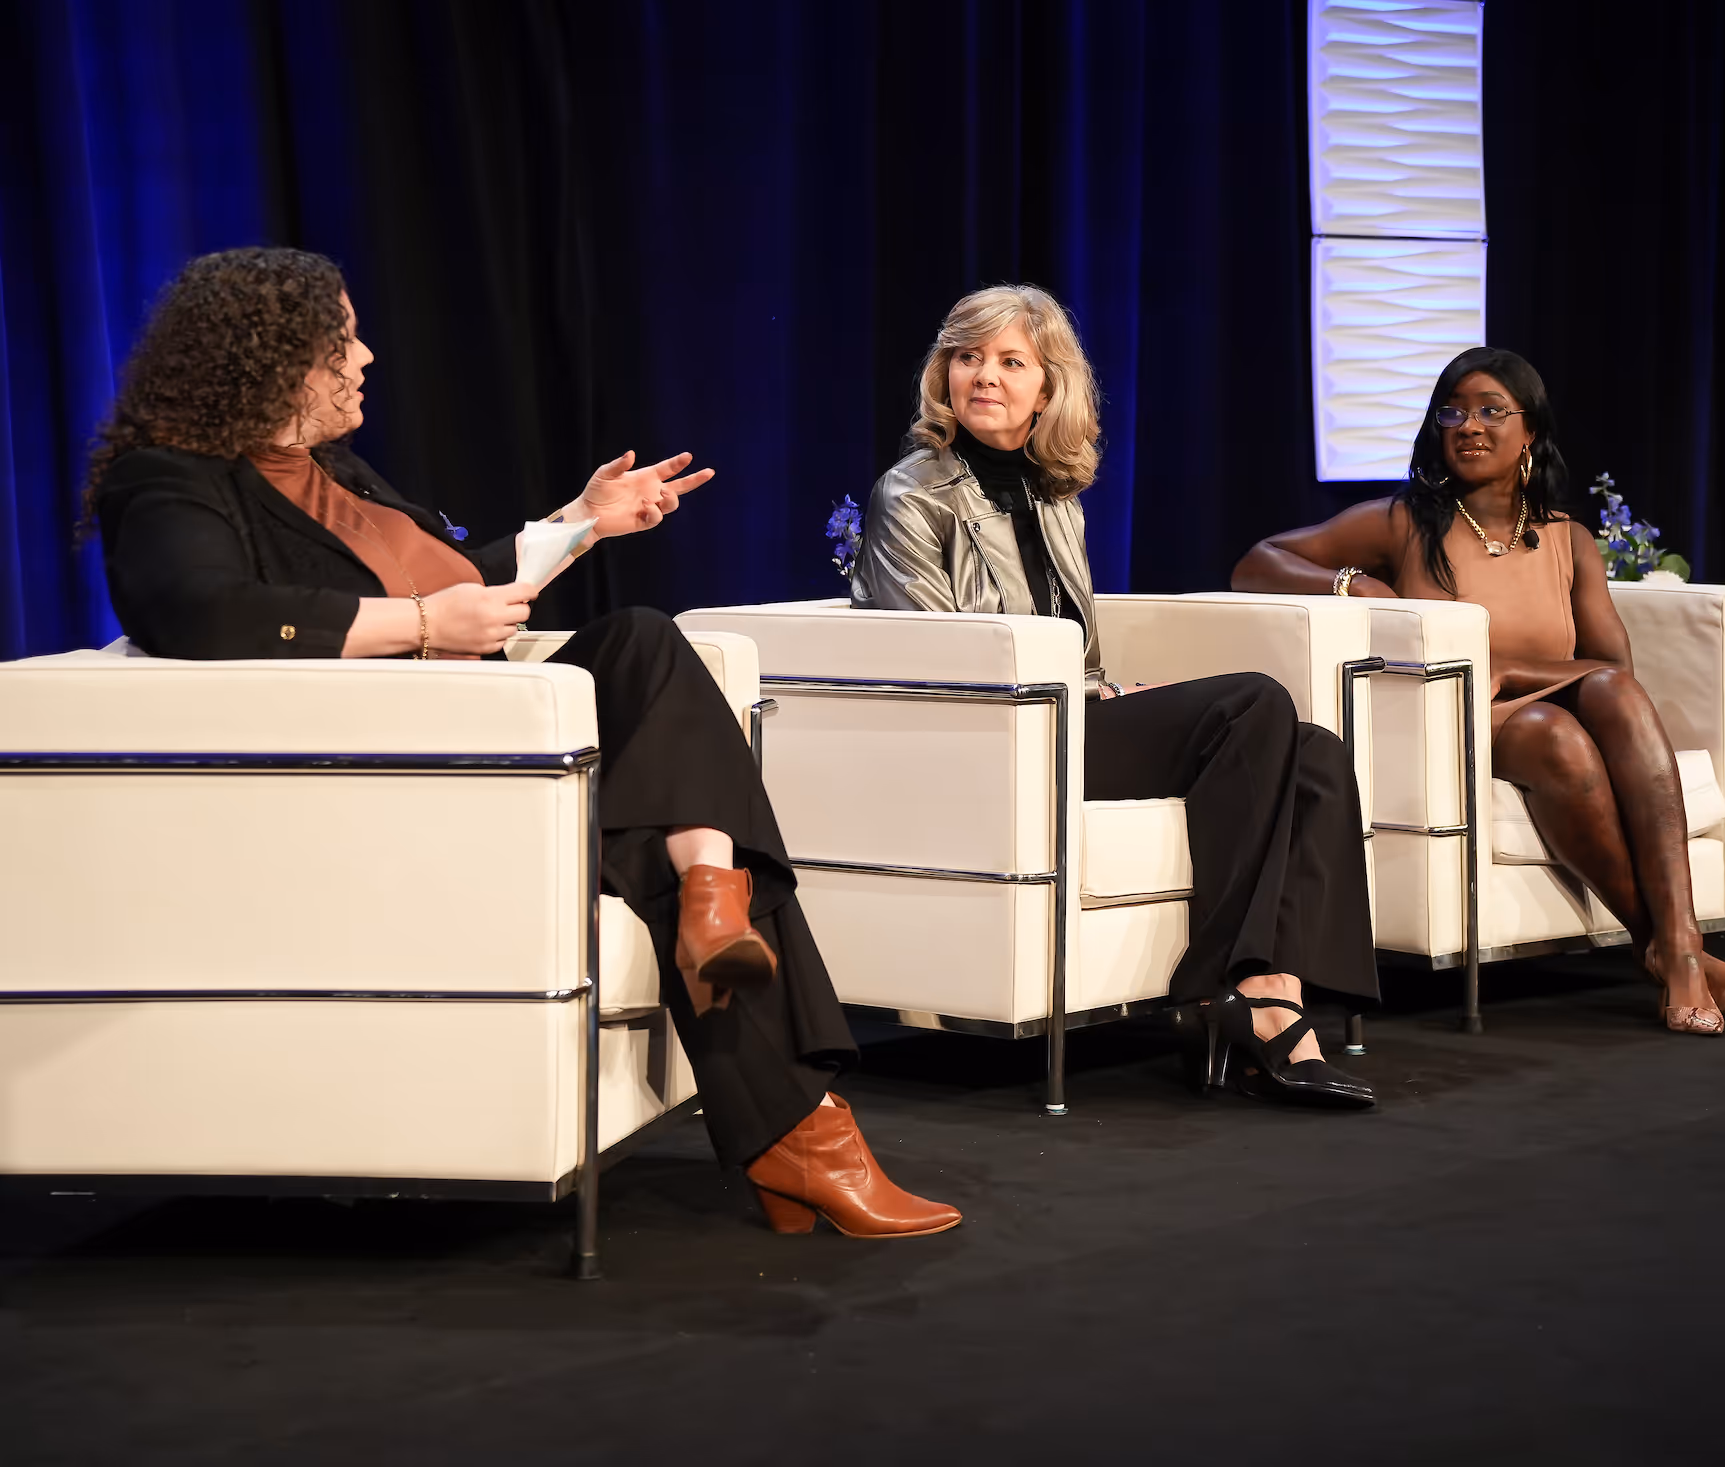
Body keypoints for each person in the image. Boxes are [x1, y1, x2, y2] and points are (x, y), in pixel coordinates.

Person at [89, 246, 959, 1238]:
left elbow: (462, 581)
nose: (367, 356)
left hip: (499, 757)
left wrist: (583, 524)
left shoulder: (331, 469)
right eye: (343, 341)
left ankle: (721, 920)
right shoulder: (170, 480)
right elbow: (202, 613)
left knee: (639, 639)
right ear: (273, 358)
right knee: (663, 800)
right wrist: (422, 627)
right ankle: (794, 1116)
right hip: (398, 789)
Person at [852, 284, 1378, 1107]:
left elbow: (1079, 647)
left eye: (1009, 362)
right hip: (996, 736)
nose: (983, 376)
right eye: (967, 358)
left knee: (1315, 751)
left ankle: (1284, 994)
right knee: (1254, 702)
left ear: (1049, 385)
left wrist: (1111, 690)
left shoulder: (1054, 490)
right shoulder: (911, 494)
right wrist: (1083, 694)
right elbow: (937, 664)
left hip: (1067, 715)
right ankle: (1233, 991)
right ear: (942, 374)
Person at [1233, 347, 1725, 1037]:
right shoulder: (1404, 521)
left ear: (1530, 434)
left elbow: (1611, 665)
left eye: (1491, 410)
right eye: (1452, 411)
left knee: (1610, 700)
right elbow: (1257, 563)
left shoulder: (1569, 540)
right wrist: (1352, 583)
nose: (1469, 425)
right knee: (1558, 735)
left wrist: (1512, 668)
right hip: (1459, 714)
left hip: (1538, 700)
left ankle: (1676, 947)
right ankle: (1677, 951)